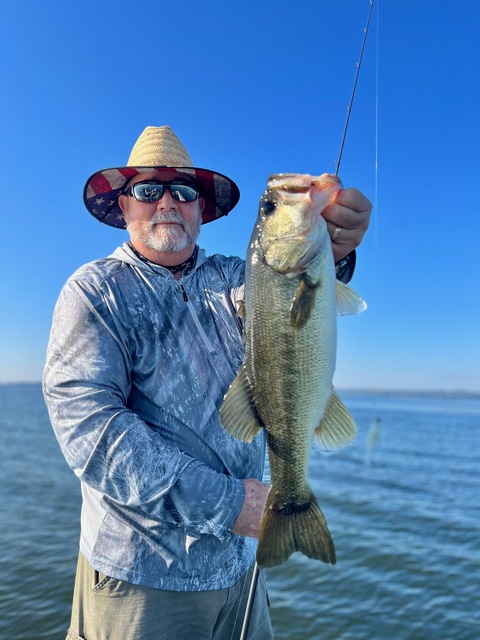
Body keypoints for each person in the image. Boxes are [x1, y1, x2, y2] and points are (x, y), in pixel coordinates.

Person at [43, 125, 371, 640]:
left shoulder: (235, 279)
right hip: (143, 580)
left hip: (241, 569)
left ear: (201, 211)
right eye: (149, 191)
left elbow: (290, 298)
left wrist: (337, 249)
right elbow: (92, 433)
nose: (168, 202)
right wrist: (231, 504)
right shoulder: (94, 292)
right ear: (124, 208)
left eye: (184, 191)